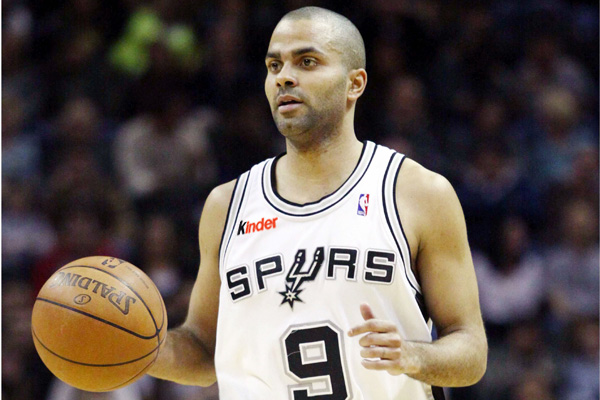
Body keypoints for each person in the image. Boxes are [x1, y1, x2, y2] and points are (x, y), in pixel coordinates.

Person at [148, 6, 487, 399]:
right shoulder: (226, 206)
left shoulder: (418, 194)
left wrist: (413, 356)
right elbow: (204, 353)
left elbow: (471, 351)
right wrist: (137, 349)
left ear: (354, 83)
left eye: (307, 62)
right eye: (274, 66)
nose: (284, 77)